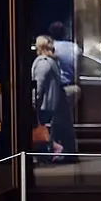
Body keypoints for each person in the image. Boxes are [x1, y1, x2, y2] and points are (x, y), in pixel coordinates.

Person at [32, 35, 77, 163]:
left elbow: (39, 86)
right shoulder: (53, 61)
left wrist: (33, 102)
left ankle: (48, 153)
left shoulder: (43, 63)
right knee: (52, 130)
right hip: (53, 104)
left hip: (45, 105)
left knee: (43, 131)